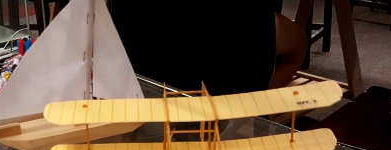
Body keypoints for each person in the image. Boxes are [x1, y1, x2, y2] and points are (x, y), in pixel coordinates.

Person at [112, 2, 308, 94]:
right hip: (228, 62)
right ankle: (245, 118)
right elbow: (295, 50)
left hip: (132, 72)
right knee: (297, 47)